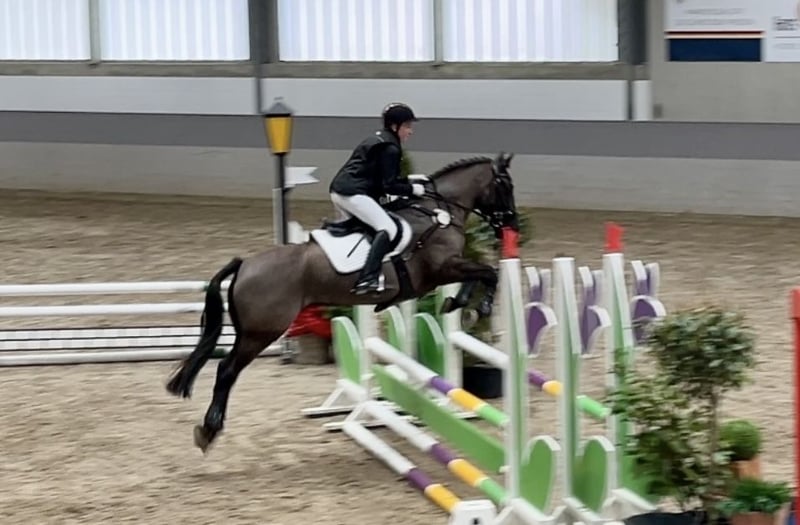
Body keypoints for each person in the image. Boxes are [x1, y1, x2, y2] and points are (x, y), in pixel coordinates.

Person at [329, 102, 426, 295]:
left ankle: (355, 270)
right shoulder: (390, 148)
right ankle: (368, 278)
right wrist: (412, 189)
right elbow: (388, 186)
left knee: (367, 231)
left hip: (341, 190)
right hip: (353, 193)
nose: (410, 131)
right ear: (395, 126)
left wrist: (409, 179)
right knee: (388, 228)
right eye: (407, 126)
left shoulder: (379, 139)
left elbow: (382, 177)